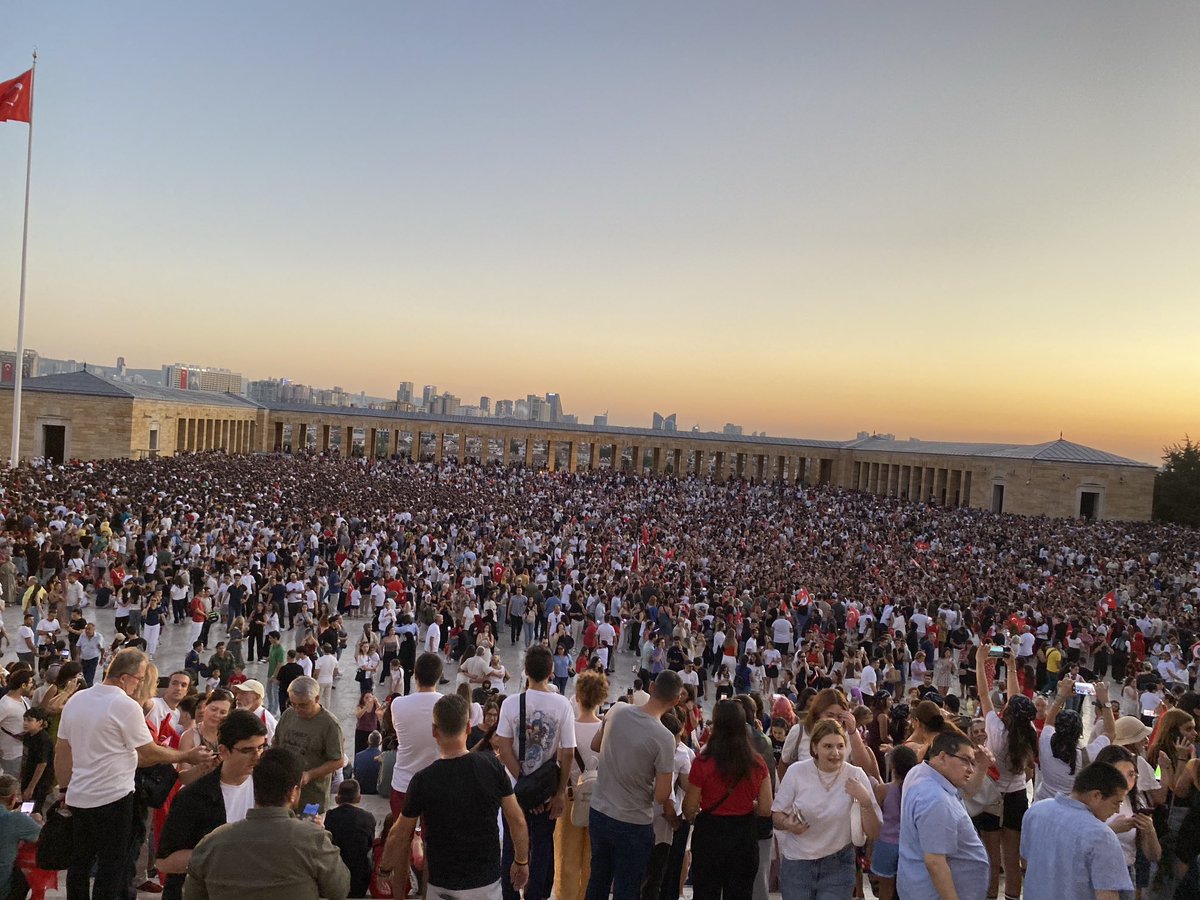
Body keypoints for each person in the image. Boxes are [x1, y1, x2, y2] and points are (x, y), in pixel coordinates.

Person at [55, 647, 212, 900]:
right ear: (126, 677)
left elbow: (62, 750)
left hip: (79, 795)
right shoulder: (124, 705)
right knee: (111, 864)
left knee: (79, 863)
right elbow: (147, 754)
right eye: (139, 679)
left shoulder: (77, 699)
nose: (139, 684)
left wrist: (64, 788)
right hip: (113, 798)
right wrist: (186, 756)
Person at [382, 693, 529, 900]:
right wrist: (521, 862)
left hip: (443, 887)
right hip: (486, 884)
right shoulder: (492, 767)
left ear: (434, 731)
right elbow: (517, 820)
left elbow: (400, 833)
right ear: (469, 728)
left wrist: (385, 869)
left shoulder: (423, 780)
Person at [184, 746, 351, 899]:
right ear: (294, 792)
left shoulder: (212, 843)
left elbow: (192, 895)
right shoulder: (314, 841)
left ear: (255, 786)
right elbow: (339, 890)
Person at [584, 670, 681, 900]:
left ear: (651, 688)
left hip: (599, 811)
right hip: (633, 822)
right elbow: (661, 795)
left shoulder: (617, 710)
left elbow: (596, 745)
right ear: (676, 701)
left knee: (597, 879)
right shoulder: (665, 738)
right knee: (627, 889)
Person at [155, 709, 269, 900]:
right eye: (248, 750)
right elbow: (165, 862)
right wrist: (224, 854)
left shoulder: (268, 788)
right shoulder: (193, 797)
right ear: (223, 751)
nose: (257, 756)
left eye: (261, 748)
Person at [495, 645, 577, 900]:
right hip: (546, 793)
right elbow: (568, 752)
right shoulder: (562, 704)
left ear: (525, 671)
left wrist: (524, 783)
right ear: (552, 671)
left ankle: (509, 894)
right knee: (542, 847)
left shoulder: (510, 704)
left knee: (512, 844)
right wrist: (559, 793)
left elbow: (503, 747)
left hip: (515, 790)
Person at [772, 718, 882, 900]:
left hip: (838, 865)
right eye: (828, 746)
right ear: (815, 748)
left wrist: (866, 802)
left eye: (840, 746)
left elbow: (874, 833)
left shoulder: (856, 775)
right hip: (798, 864)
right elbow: (776, 815)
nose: (835, 752)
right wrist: (787, 823)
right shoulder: (797, 772)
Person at [683, 698, 774, 900]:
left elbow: (690, 807)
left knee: (706, 892)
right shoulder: (757, 762)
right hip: (743, 834)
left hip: (710, 833)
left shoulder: (703, 762)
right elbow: (766, 808)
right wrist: (748, 803)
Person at [896, 731, 991, 900]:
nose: (970, 769)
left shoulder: (921, 772)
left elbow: (967, 793)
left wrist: (981, 767)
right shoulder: (936, 800)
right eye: (965, 760)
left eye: (972, 762)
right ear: (942, 757)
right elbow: (935, 862)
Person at [1019, 762, 1134, 900]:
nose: (1117, 810)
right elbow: (1107, 896)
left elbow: (1025, 862)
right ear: (1096, 795)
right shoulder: (1102, 836)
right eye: (1116, 803)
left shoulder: (1036, 811)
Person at [975, 644, 1036, 900]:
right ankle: (1012, 896)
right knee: (1012, 859)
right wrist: (1011, 667)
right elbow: (1016, 700)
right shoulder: (1029, 733)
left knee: (990, 856)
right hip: (1018, 794)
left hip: (991, 795)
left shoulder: (997, 731)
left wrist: (980, 662)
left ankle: (989, 895)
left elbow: (983, 694)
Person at [555, 670, 607, 900]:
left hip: (570, 796)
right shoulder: (605, 730)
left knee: (566, 858)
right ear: (601, 698)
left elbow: (559, 760)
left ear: (577, 696)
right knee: (592, 859)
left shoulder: (568, 727)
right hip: (600, 800)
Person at [273, 675, 345, 813]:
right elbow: (276, 742)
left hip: (312, 798)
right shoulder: (288, 715)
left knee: (307, 832)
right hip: (283, 794)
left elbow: (338, 761)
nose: (297, 709)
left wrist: (309, 775)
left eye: (303, 705)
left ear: (317, 699)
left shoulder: (329, 724)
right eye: (293, 704)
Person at [388, 652, 443, 821]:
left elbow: (398, 731)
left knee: (403, 837)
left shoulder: (398, 704)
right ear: (439, 676)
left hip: (404, 782)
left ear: (415, 676)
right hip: (437, 784)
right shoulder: (446, 704)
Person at [324, 778, 377, 898]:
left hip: (336, 874)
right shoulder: (368, 818)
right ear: (358, 798)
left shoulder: (330, 816)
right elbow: (369, 844)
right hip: (359, 878)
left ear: (337, 799)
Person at [0, 773, 40, 900]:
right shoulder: (17, 819)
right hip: (3, 889)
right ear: (12, 798)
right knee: (23, 873)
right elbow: (43, 838)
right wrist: (37, 821)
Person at [0, 670, 34, 777]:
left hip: (22, 750)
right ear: (23, 685)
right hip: (11, 753)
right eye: (30, 683)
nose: (32, 685)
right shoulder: (5, 705)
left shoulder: (22, 699)